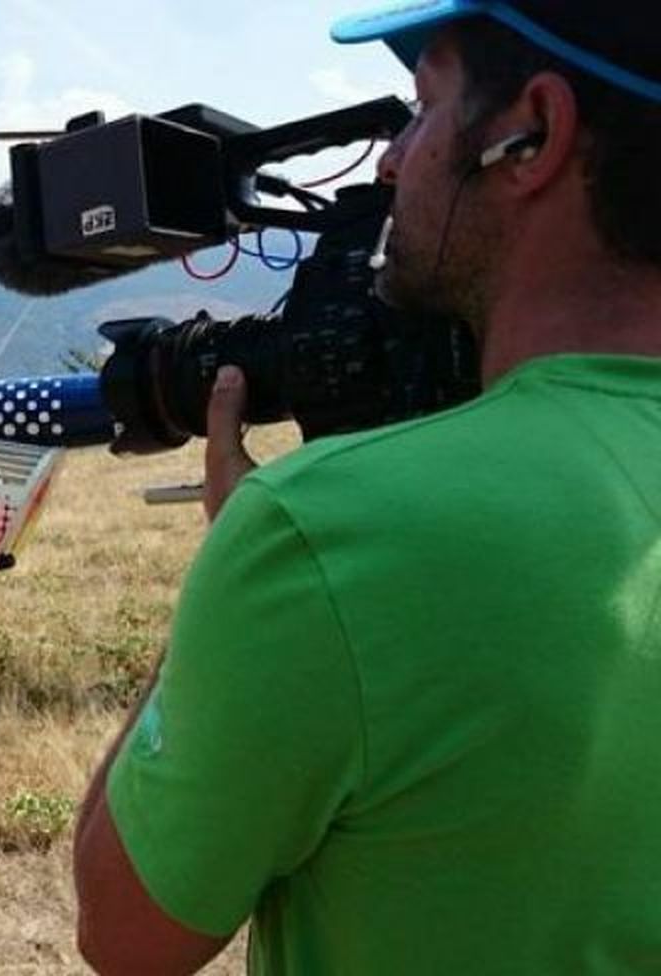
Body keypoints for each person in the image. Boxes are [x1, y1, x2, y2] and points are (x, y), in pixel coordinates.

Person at [73, 2, 661, 973]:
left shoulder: (327, 533)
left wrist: (240, 544)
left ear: (534, 136)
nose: (391, 162)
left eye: (421, 109)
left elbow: (126, 938)